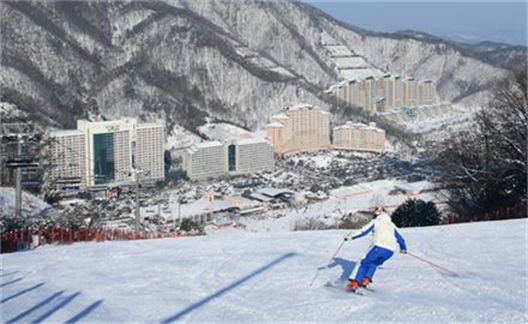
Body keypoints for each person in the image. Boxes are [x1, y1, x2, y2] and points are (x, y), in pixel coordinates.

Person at [343, 207, 407, 292]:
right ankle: (366, 280)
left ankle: (354, 283)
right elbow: (400, 238)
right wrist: (403, 248)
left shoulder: (376, 222)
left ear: (378, 214)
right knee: (373, 263)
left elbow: (364, 231)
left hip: (378, 247)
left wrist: (350, 237)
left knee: (363, 262)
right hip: (390, 251)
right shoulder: (391, 225)